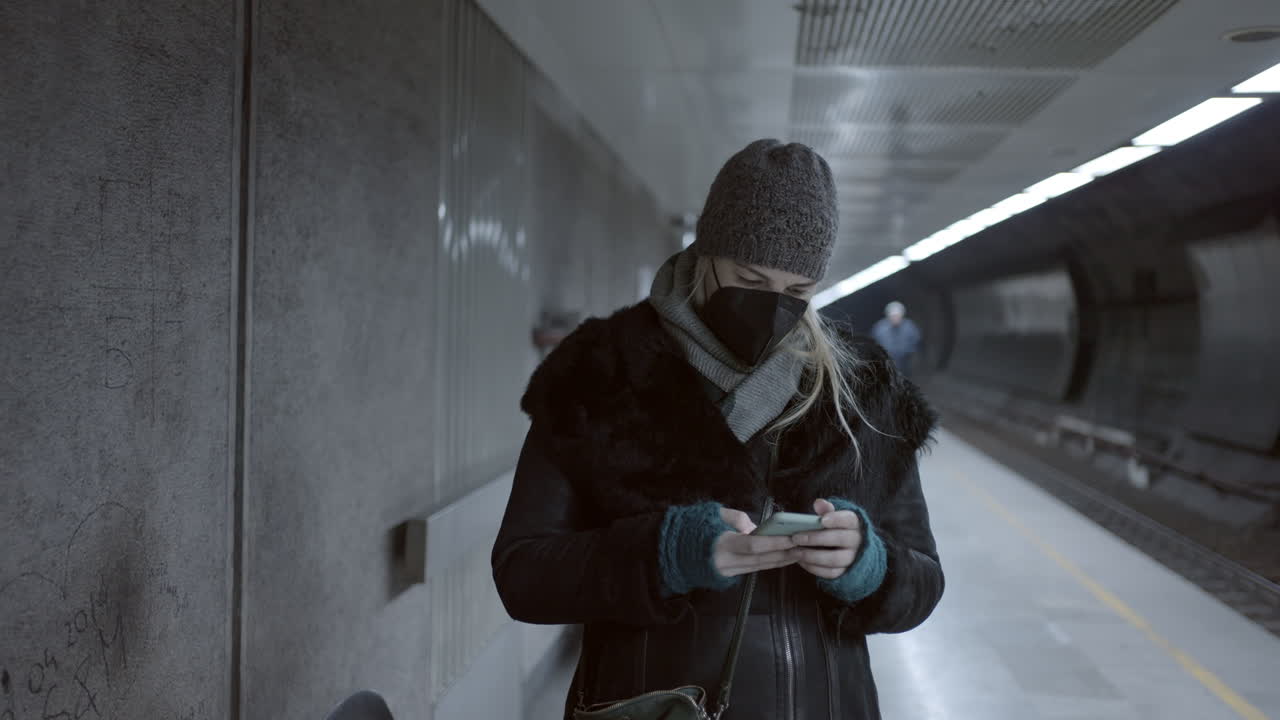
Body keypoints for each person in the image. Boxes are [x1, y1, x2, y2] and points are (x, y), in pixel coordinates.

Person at [491, 139, 943, 720]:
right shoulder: (600, 374)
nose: (772, 307)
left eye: (797, 292)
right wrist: (664, 552)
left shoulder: (862, 392)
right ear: (706, 253)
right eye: (749, 279)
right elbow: (523, 573)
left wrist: (870, 566)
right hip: (651, 705)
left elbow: (924, 580)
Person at [871, 301, 922, 377]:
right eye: (893, 316)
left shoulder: (909, 327)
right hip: (886, 362)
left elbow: (917, 340)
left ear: (902, 315)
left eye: (897, 315)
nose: (895, 318)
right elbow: (873, 343)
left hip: (905, 361)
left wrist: (909, 352)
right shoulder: (880, 328)